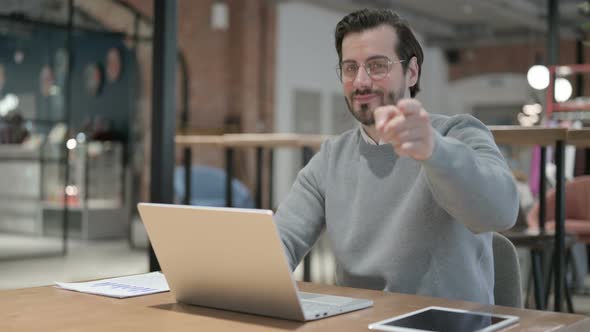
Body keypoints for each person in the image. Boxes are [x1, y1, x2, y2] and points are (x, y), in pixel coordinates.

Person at [274, 8, 519, 305]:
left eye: (377, 66)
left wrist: (434, 151)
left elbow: (502, 211)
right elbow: (280, 241)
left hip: (446, 325)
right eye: (350, 68)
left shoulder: (458, 133)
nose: (361, 81)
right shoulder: (330, 159)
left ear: (412, 71)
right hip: (361, 322)